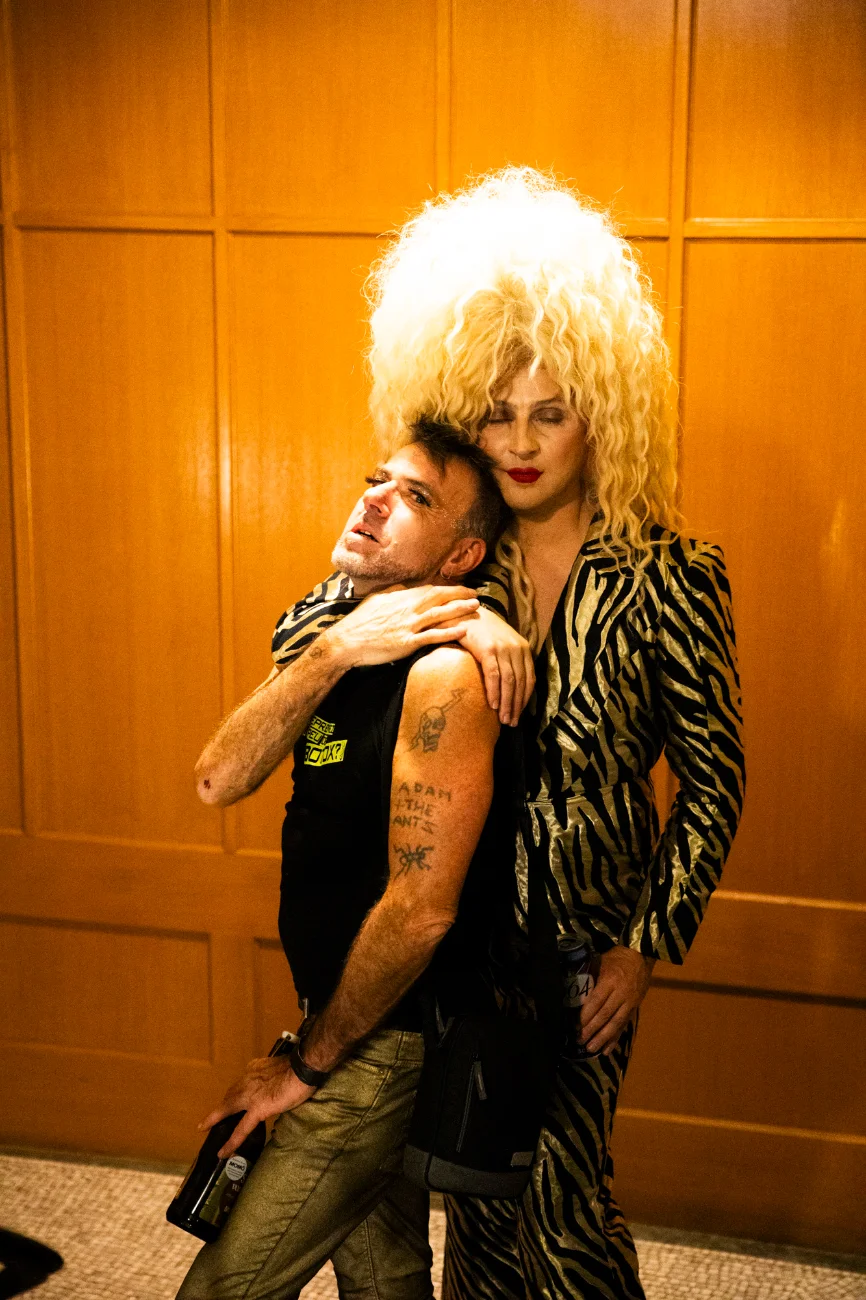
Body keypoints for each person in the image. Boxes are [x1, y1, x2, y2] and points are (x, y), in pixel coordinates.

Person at [273, 168, 746, 1300]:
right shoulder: (449, 552)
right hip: (453, 934)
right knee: (476, 1213)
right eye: (497, 412)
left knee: (562, 1213)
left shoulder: (672, 574)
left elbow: (715, 780)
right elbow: (302, 636)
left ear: (601, 412)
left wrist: (644, 944)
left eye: (551, 412)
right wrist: (438, 615)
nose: (522, 441)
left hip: (583, 954)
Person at [176, 424, 523, 1300]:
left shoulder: (445, 677)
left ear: (463, 556)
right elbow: (219, 778)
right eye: (379, 479)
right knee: (384, 1277)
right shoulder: (340, 644)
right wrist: (333, 648)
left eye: (416, 497)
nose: (374, 499)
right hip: (343, 1019)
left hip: (382, 1046)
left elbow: (422, 911)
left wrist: (306, 1065)